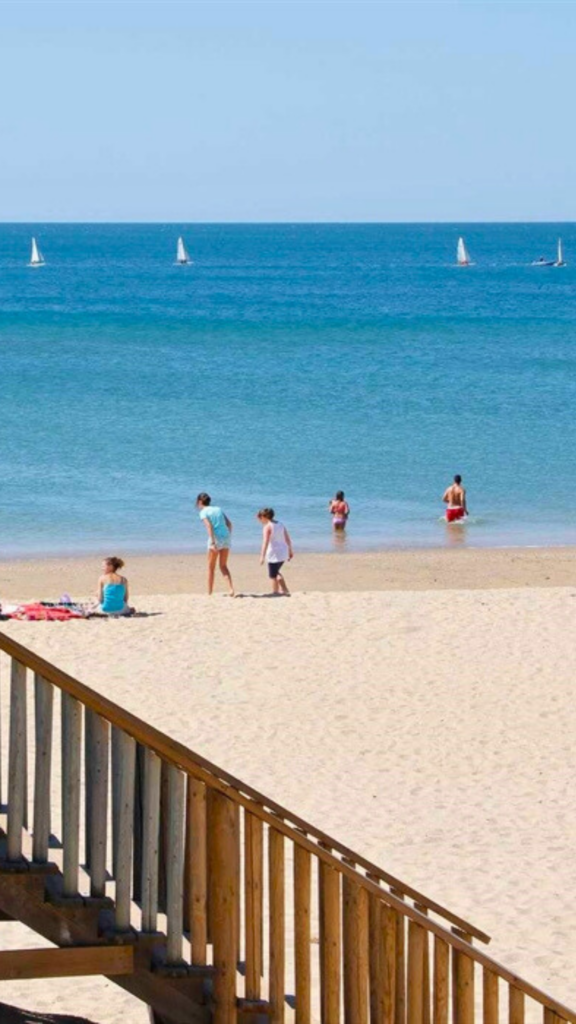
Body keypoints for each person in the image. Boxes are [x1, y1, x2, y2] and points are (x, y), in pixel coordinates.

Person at [196, 492, 235, 596]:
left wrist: (213, 542)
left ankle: (209, 592)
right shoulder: (218, 509)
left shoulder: (203, 512)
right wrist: (227, 536)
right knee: (223, 566)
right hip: (226, 538)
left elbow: (209, 526)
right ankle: (231, 589)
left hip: (216, 539)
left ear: (200, 502)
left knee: (211, 567)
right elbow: (230, 524)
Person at [257, 508, 293, 595]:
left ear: (265, 517)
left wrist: (262, 556)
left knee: (273, 575)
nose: (259, 520)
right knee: (276, 572)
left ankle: (279, 590)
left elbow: (265, 542)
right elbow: (287, 538)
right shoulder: (280, 524)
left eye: (260, 517)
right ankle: (279, 590)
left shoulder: (267, 527)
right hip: (283, 552)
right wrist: (290, 551)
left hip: (274, 554)